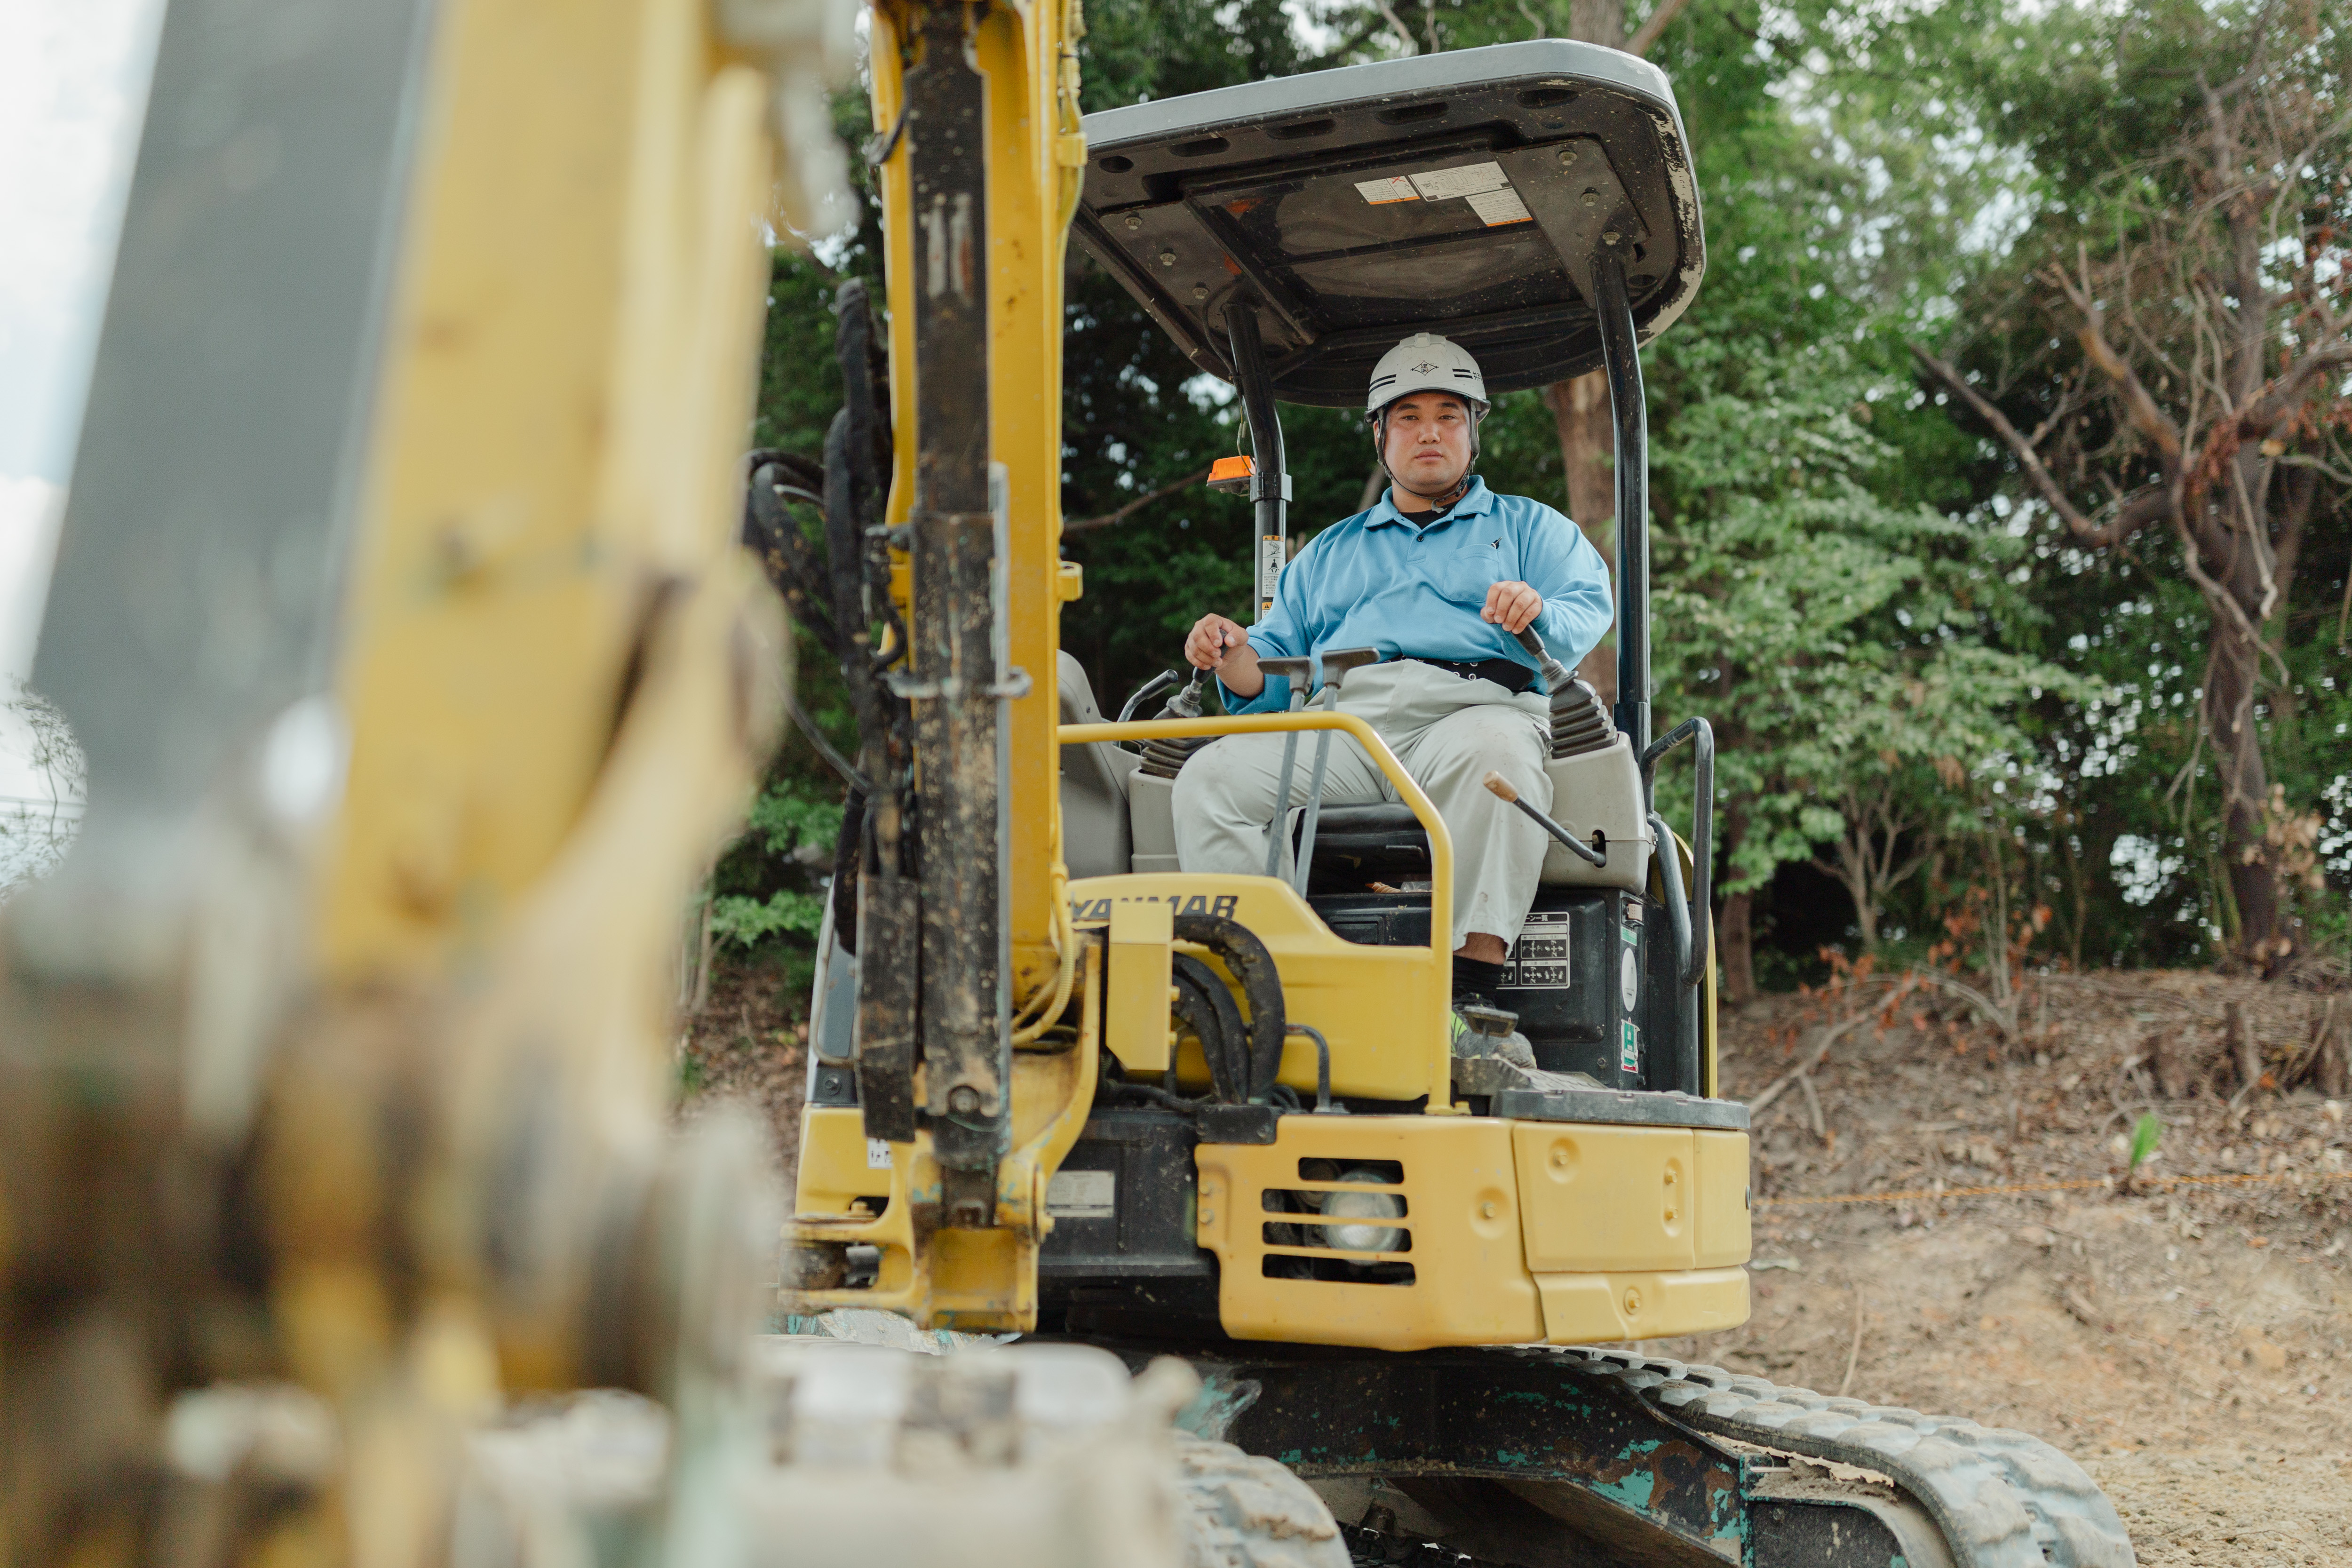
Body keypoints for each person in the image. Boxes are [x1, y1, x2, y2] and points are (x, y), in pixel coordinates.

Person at [1171, 332, 1613, 1058]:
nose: (1429, 432)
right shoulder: (1333, 551)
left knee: (1498, 759)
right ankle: (1271, 989)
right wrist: (1229, 648)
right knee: (1208, 780)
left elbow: (1582, 615)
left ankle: (1465, 1002)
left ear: (1475, 430)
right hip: (1344, 723)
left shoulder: (1530, 528)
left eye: (1448, 414)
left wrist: (1536, 611)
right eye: (1408, 416)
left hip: (1471, 710)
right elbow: (1265, 674)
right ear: (1380, 434)